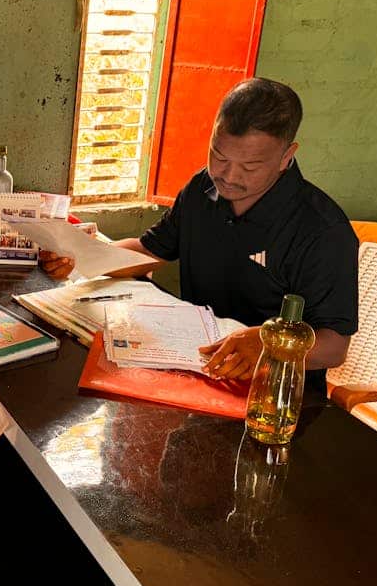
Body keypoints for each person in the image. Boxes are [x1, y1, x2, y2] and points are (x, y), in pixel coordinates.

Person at [41, 78, 358, 387]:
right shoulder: (202, 189)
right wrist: (81, 253)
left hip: (271, 390)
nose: (229, 176)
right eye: (219, 156)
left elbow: (334, 347)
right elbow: (150, 251)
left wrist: (267, 343)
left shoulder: (322, 230)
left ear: (286, 156)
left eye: (250, 166)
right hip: (194, 369)